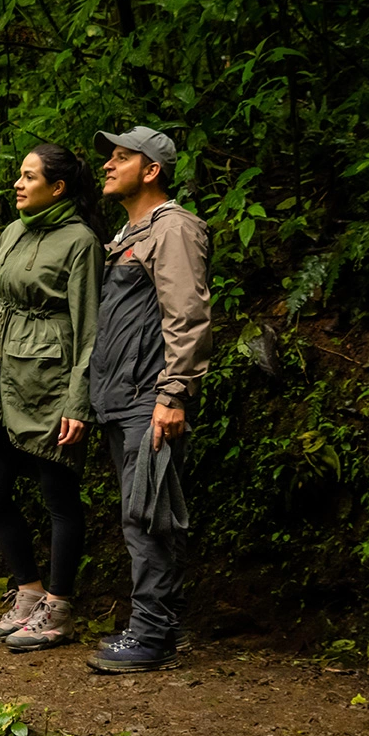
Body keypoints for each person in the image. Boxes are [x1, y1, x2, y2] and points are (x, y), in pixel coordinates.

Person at [84, 127, 211, 673]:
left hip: (150, 396)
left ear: (151, 170)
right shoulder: (130, 233)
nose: (109, 167)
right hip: (120, 397)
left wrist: (174, 392)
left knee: (147, 514)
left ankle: (152, 635)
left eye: (121, 158)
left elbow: (187, 316)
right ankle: (159, 625)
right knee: (140, 511)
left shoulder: (174, 229)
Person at [0, 144, 106, 651]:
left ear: (58, 188)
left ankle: (59, 607)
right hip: (7, 382)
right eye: (19, 175)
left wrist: (79, 401)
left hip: (52, 385)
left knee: (60, 498)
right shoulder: (11, 233)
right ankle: (28, 593)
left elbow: (90, 327)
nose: (18, 184)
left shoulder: (81, 243)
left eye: (29, 176)